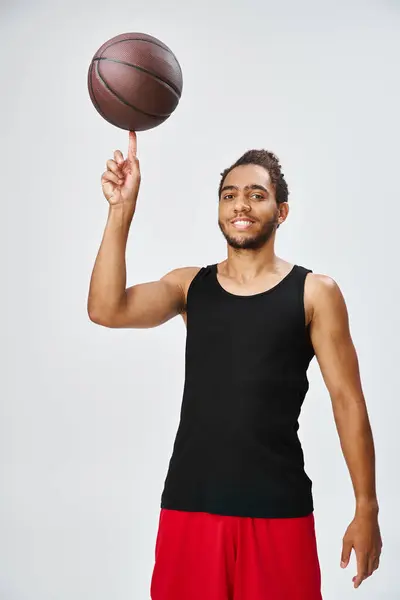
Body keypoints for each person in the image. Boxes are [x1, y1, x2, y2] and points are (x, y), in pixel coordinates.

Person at [87, 131, 383, 599]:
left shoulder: (314, 293)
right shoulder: (190, 288)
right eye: (229, 195)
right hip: (191, 507)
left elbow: (348, 403)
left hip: (278, 511)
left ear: (280, 211)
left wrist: (366, 507)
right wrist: (120, 208)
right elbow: (106, 308)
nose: (240, 205)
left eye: (256, 195)